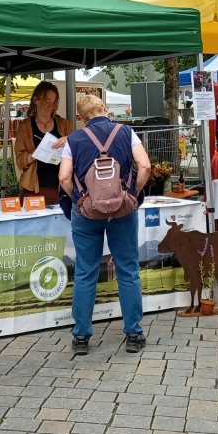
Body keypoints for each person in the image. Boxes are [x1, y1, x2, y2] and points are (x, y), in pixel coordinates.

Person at [59, 94, 151, 355]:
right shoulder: (126, 132)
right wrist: (132, 195)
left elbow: (64, 177)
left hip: (86, 213)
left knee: (86, 271)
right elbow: (144, 166)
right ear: (105, 109)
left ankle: (81, 337)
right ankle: (134, 333)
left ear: (81, 117)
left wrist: (79, 200)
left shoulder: (74, 139)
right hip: (122, 211)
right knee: (128, 270)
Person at [12, 81, 73, 206]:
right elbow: (19, 161)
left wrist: (69, 140)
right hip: (33, 190)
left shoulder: (64, 124)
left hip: (60, 188)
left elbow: (77, 151)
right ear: (36, 100)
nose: (51, 105)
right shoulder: (25, 127)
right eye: (47, 101)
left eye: (54, 102)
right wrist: (34, 154)